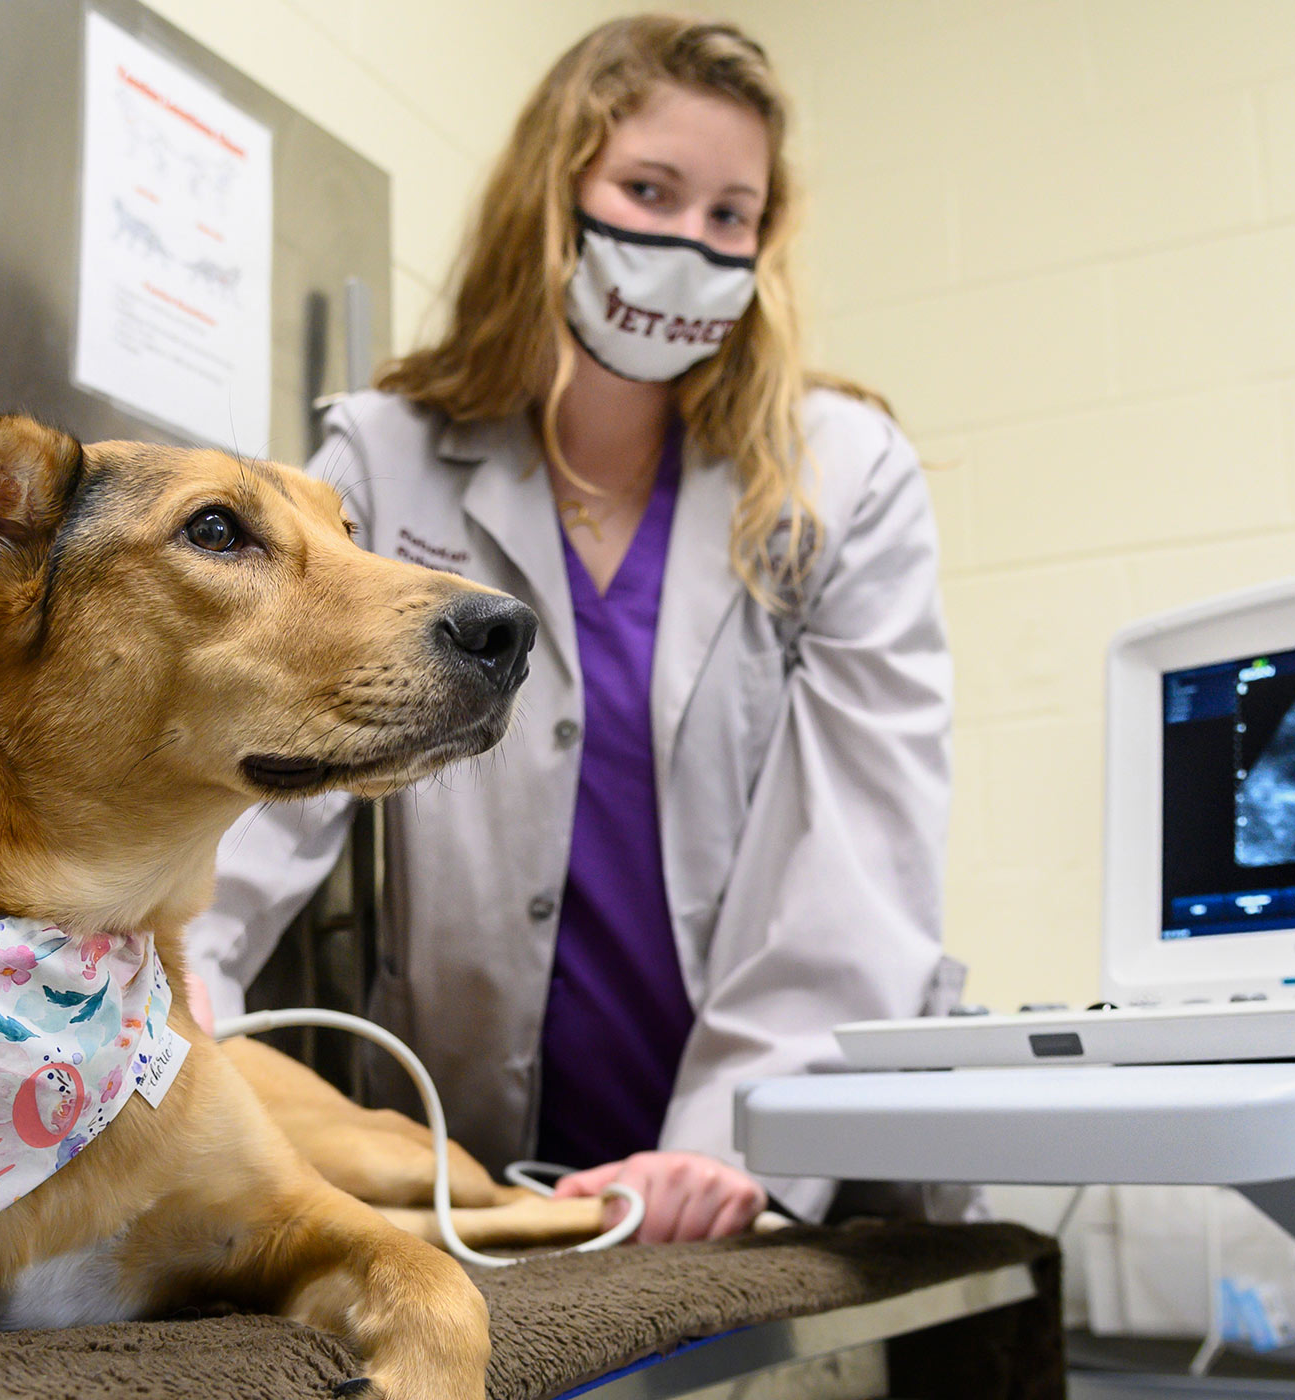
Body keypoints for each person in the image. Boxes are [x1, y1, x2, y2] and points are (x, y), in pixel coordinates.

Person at [188, 14, 960, 1242]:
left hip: (766, 1157)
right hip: (476, 1167)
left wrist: (727, 1147)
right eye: (649, 189)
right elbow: (235, 811)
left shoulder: (839, 473)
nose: (689, 245)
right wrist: (165, 1061)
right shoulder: (387, 461)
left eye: (730, 215)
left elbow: (857, 854)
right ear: (555, 196)